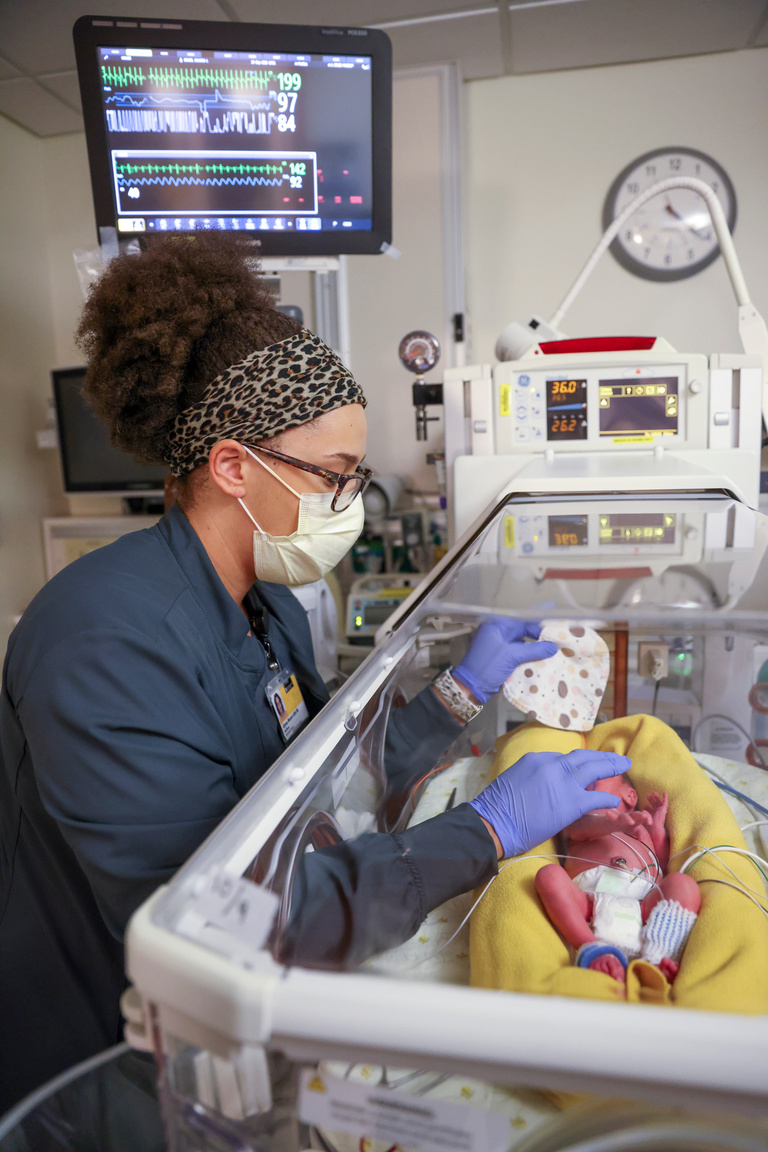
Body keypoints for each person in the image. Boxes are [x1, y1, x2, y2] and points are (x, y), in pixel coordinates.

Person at [0, 234, 626, 1110]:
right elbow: (224, 928)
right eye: (333, 477)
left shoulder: (270, 604)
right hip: (116, 1066)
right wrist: (483, 832)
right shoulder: (100, 643)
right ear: (231, 466)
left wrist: (457, 694)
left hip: (241, 1038)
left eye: (354, 475)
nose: (351, 504)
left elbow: (330, 788)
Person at [535, 773, 700, 986]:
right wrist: (610, 824)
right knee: (549, 876)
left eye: (592, 783)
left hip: (644, 904)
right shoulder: (578, 821)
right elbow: (583, 830)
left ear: (630, 796)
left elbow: (661, 864)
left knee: (683, 884)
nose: (581, 788)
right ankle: (591, 947)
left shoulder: (641, 828)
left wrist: (657, 829)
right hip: (589, 900)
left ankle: (658, 955)